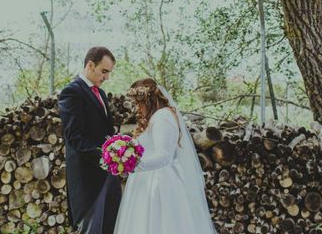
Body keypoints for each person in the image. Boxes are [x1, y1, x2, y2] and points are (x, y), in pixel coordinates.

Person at [114, 78, 216, 234]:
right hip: (147, 181)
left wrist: (132, 164)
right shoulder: (156, 117)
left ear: (147, 99)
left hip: (159, 184)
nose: (136, 108)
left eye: (137, 103)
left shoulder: (162, 117)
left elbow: (164, 156)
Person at [58, 46, 122, 234]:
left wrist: (118, 151)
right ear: (90, 65)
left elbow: (105, 133)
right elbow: (75, 137)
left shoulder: (100, 94)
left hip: (109, 176)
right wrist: (104, 158)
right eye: (104, 71)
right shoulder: (72, 92)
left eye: (109, 73)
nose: (107, 77)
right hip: (88, 180)